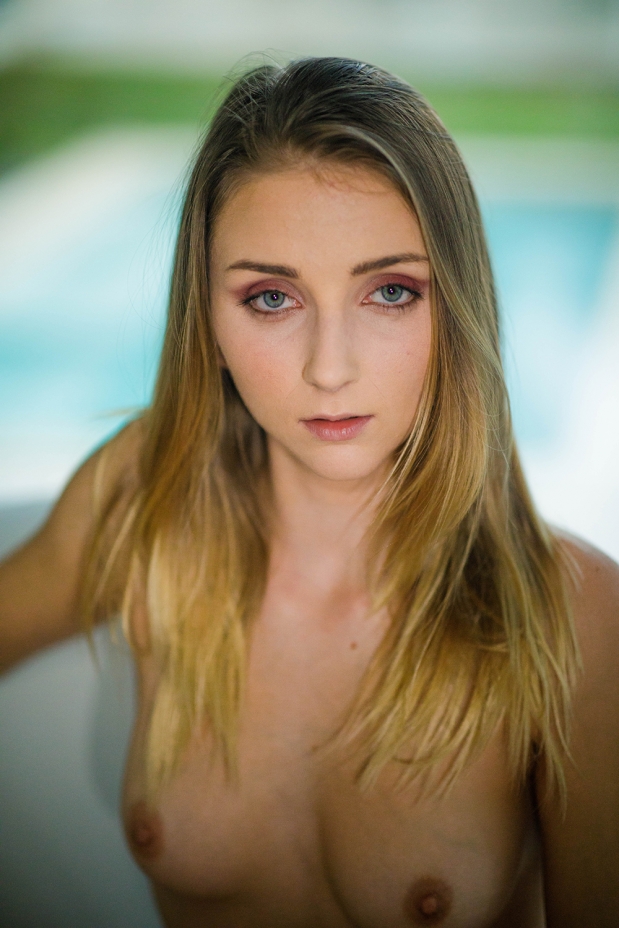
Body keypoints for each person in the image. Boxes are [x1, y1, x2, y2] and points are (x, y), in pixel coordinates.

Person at [0, 56, 618, 928]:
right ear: (207, 321)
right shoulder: (144, 500)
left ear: (457, 308)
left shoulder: (574, 618)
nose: (330, 369)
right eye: (271, 299)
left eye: (390, 292)